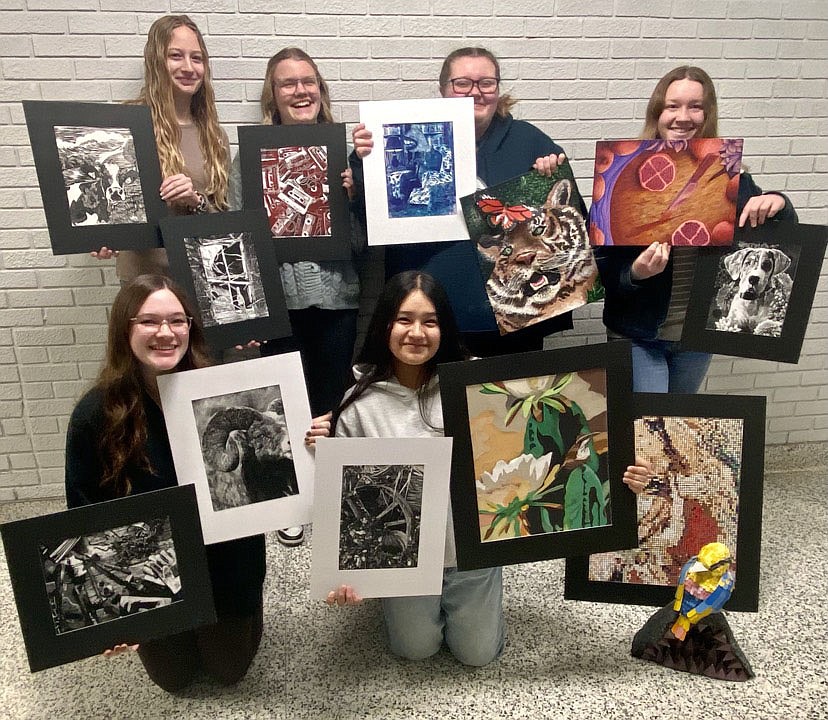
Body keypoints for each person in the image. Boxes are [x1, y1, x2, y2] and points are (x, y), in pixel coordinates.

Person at [315, 271, 654, 665]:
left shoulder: (479, 384)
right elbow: (342, 502)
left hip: (471, 552)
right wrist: (349, 575)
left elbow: (559, 437)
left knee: (478, 654)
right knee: (414, 649)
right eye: (404, 320)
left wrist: (624, 465)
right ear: (385, 325)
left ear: (445, 327)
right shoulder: (358, 406)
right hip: (406, 558)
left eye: (430, 321)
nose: (416, 333)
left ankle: (480, 591)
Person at [65, 275, 265, 692]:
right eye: (149, 322)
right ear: (125, 330)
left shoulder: (221, 390)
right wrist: (107, 611)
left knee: (229, 670)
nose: (165, 333)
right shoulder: (94, 416)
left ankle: (245, 611)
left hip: (226, 559)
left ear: (191, 327)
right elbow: (82, 515)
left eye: (178, 320)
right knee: (174, 679)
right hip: (149, 567)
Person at [351, 46, 587, 358]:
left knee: (506, 404)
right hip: (429, 316)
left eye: (486, 83)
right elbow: (365, 222)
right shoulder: (405, 138)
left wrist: (552, 178)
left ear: (498, 88)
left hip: (512, 315)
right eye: (462, 83)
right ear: (443, 89)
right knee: (435, 406)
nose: (475, 92)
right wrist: (362, 161)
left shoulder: (529, 141)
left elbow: (576, 224)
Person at [228, 48, 367, 546]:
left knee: (332, 397)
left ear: (321, 90)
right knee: (280, 403)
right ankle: (292, 495)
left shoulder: (347, 155)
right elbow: (240, 240)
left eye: (309, 81)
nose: (300, 91)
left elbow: (362, 245)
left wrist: (353, 199)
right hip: (276, 302)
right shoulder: (247, 158)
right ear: (273, 94)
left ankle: (330, 493)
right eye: (288, 83)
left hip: (336, 299)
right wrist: (248, 314)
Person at [595, 65, 798, 393]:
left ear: (708, 113)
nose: (683, 116)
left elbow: (784, 243)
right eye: (673, 106)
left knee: (674, 429)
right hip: (637, 334)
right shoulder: (624, 177)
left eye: (695, 106)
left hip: (697, 336)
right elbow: (601, 266)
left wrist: (780, 202)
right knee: (643, 430)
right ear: (658, 112)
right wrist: (635, 272)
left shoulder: (730, 179)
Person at [94, 14, 229, 281]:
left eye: (197, 58)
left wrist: (196, 201)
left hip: (200, 278)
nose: (189, 67)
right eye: (176, 56)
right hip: (143, 281)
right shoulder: (126, 125)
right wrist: (101, 235)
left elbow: (224, 219)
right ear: (157, 61)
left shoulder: (214, 135)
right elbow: (106, 202)